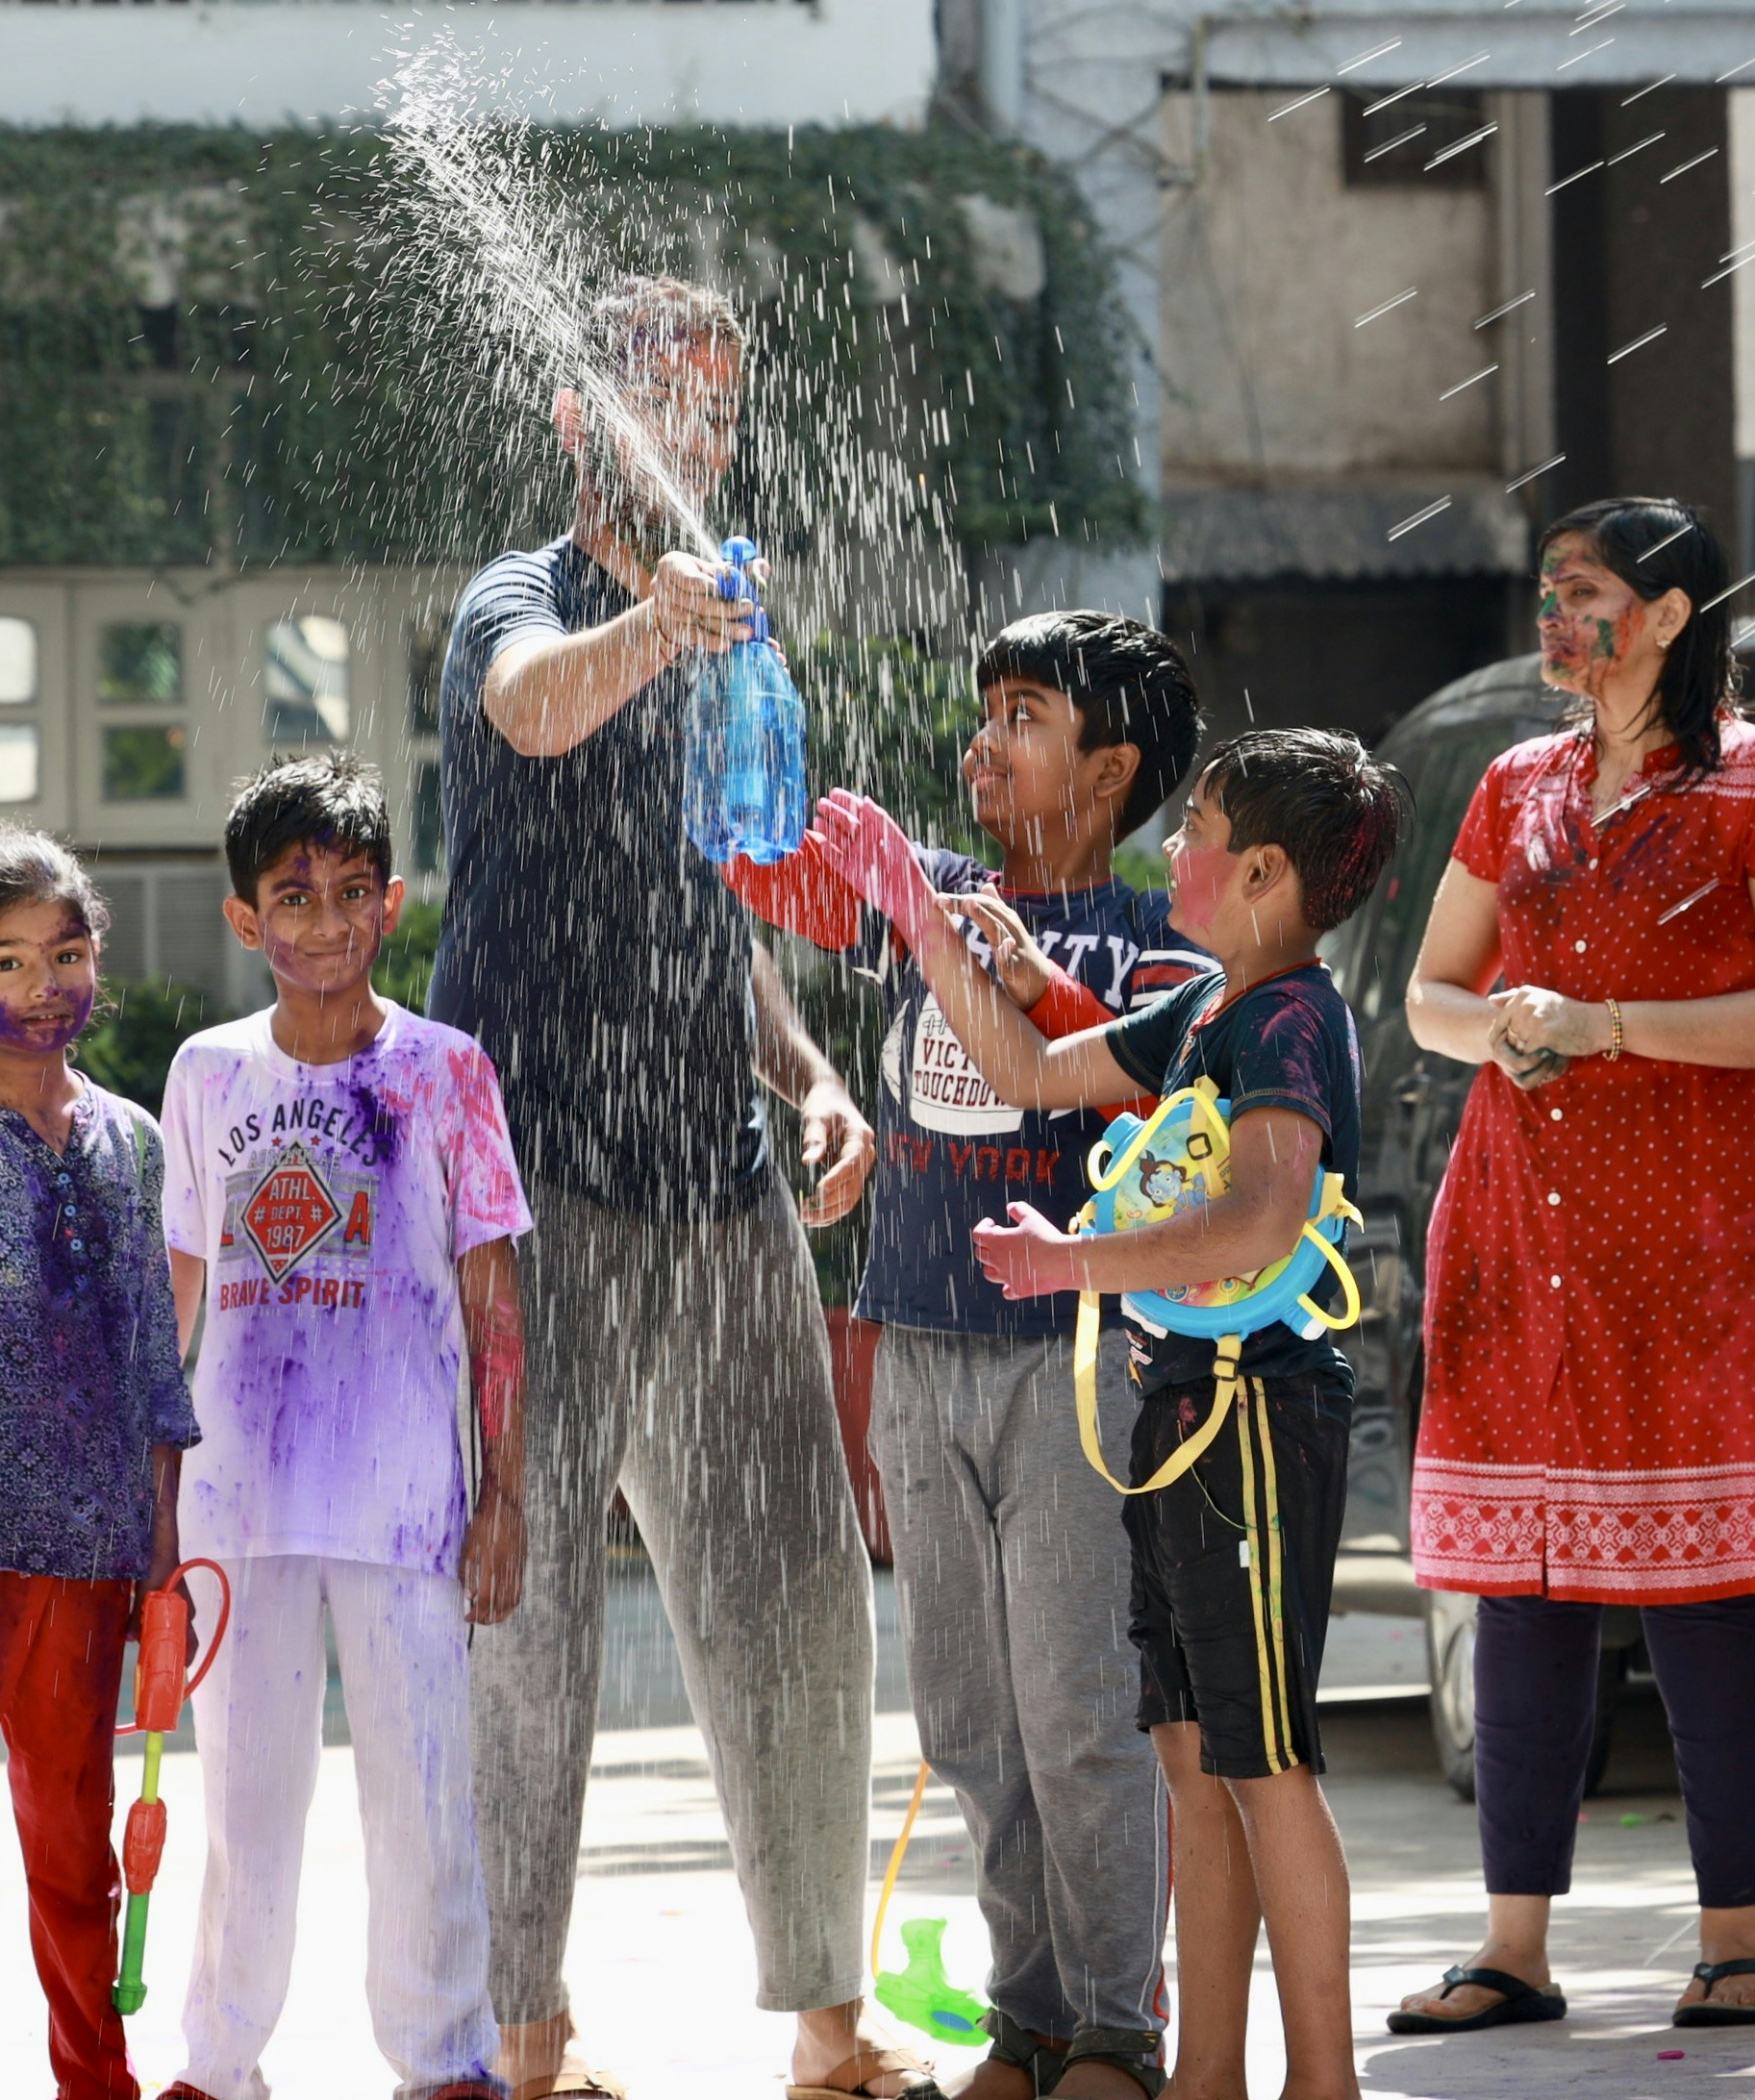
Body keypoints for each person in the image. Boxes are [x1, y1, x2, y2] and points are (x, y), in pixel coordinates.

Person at [429, 274, 899, 2100]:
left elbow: (713, 911)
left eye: (717, 406)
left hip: (719, 1179)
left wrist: (816, 1078)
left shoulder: (734, 629)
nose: (694, 435)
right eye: (661, 402)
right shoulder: (526, 601)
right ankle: (527, 2037)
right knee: (526, 1608)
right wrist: (656, 620)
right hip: (532, 1190)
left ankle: (825, 2029)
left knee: (795, 1587)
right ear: (581, 416)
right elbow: (533, 710)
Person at [813, 726, 1402, 2100]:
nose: (1172, 849)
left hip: (1256, 1412)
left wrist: (1072, 1261)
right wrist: (912, 906)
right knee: (1191, 1759)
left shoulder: (1289, 1018)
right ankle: (1202, 2073)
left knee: (1266, 1764)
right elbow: (1027, 1071)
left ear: (1258, 873)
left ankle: (1324, 2082)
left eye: (1194, 831)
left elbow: (1258, 1216)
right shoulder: (1205, 1012)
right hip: (1179, 1410)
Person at [1390, 498, 1755, 2036]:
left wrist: (1609, 1029)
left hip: (1695, 1235)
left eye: (1580, 594)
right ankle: (1512, 1944)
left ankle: (1738, 1938)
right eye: (1546, 592)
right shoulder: (1514, 785)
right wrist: (1507, 1025)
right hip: (1518, 1227)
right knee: (1521, 1587)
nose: (1552, 617)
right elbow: (1428, 999)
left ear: (1664, 614)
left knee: (1705, 1588)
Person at [729, 611, 1209, 2100]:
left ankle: (1118, 2031)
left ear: (1111, 769)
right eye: (983, 710)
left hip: (1075, 1365)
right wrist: (740, 694)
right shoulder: (916, 889)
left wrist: (935, 924)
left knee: (1077, 1715)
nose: (981, 743)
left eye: (1023, 718)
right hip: (918, 1351)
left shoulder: (1153, 944)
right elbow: (751, 860)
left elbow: (1161, 1119)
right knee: (968, 1720)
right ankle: (1030, 2019)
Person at [158, 755, 531, 2100]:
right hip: (236, 1512)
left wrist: (505, 1495)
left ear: (392, 905)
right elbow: (177, 1301)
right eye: (292, 896)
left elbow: (495, 1301)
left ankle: (443, 2062)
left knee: (422, 1809)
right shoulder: (206, 1075)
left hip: (406, 1505)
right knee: (246, 1813)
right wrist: (151, 1507)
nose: (323, 921)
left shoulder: (446, 1072)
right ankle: (219, 2062)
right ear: (246, 920)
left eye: (351, 892)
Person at [0, 823, 199, 2100]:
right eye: (7, 964)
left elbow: (155, 1373)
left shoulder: (130, 1143)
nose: (43, 987)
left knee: (80, 1868)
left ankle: (96, 2084)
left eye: (66, 955)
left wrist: (162, 1559)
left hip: (90, 1570)